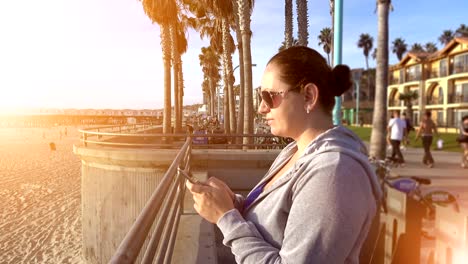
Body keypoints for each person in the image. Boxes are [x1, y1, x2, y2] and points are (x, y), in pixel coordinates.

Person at [186, 46, 382, 263]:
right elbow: (278, 222)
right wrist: (232, 203)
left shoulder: (334, 173)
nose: (261, 108)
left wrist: (226, 217)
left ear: (308, 96)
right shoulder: (294, 151)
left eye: (269, 97)